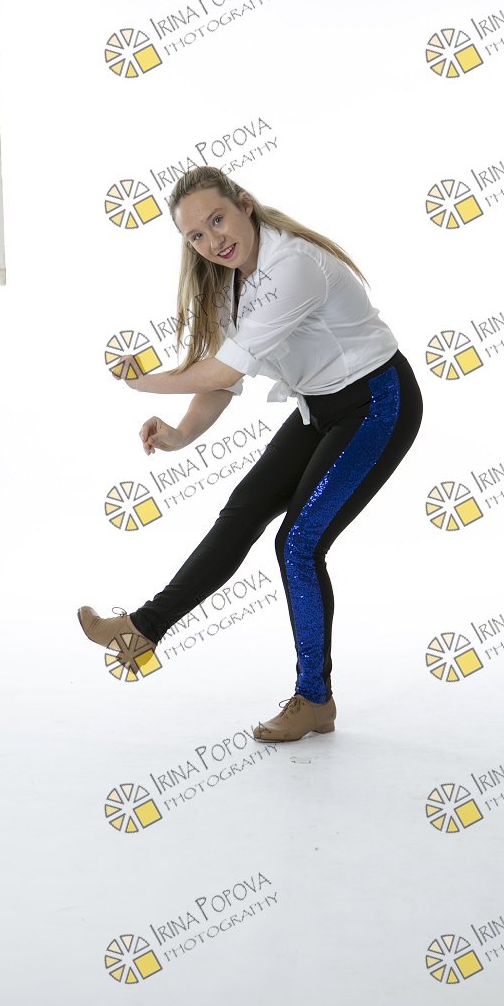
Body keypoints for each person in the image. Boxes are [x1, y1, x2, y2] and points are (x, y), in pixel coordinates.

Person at [78, 166, 423, 742]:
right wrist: (181, 434)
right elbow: (223, 380)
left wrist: (143, 382)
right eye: (196, 235)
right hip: (320, 407)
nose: (212, 241)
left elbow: (220, 371)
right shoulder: (229, 281)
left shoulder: (294, 266)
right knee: (242, 512)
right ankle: (141, 629)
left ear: (245, 205)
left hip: (376, 404)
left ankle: (315, 700)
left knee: (298, 544)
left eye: (218, 220)